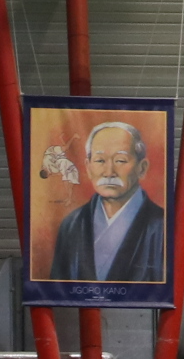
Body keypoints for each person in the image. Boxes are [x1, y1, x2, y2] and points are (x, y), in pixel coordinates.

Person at [46, 121, 169, 283]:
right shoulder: (72, 224)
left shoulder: (161, 225)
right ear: (88, 167)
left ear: (142, 168)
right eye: (100, 161)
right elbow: (57, 289)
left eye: (120, 160)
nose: (109, 172)